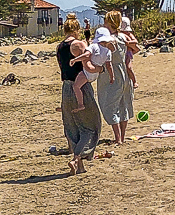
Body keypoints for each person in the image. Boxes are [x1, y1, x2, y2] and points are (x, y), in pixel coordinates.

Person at [56, 13, 102, 175]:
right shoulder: (78, 45)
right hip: (80, 87)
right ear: (77, 29)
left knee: (73, 127)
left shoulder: (60, 46)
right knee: (91, 126)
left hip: (66, 88)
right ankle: (76, 159)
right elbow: (88, 66)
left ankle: (80, 166)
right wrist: (101, 70)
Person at [96, 10, 134, 145]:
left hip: (111, 72)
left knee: (109, 104)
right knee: (124, 104)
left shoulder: (109, 40)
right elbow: (134, 46)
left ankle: (118, 138)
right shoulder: (123, 37)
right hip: (123, 72)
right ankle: (122, 137)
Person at [68, 27, 115, 113]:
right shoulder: (108, 51)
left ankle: (80, 104)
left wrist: (75, 60)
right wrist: (112, 77)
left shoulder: (94, 46)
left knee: (76, 86)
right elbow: (109, 65)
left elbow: (86, 55)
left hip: (88, 71)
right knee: (81, 85)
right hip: (96, 74)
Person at [119, 17, 140, 88]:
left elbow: (135, 41)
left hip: (128, 52)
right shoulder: (119, 34)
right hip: (122, 52)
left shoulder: (129, 34)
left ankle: (134, 81)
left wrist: (128, 42)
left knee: (128, 67)